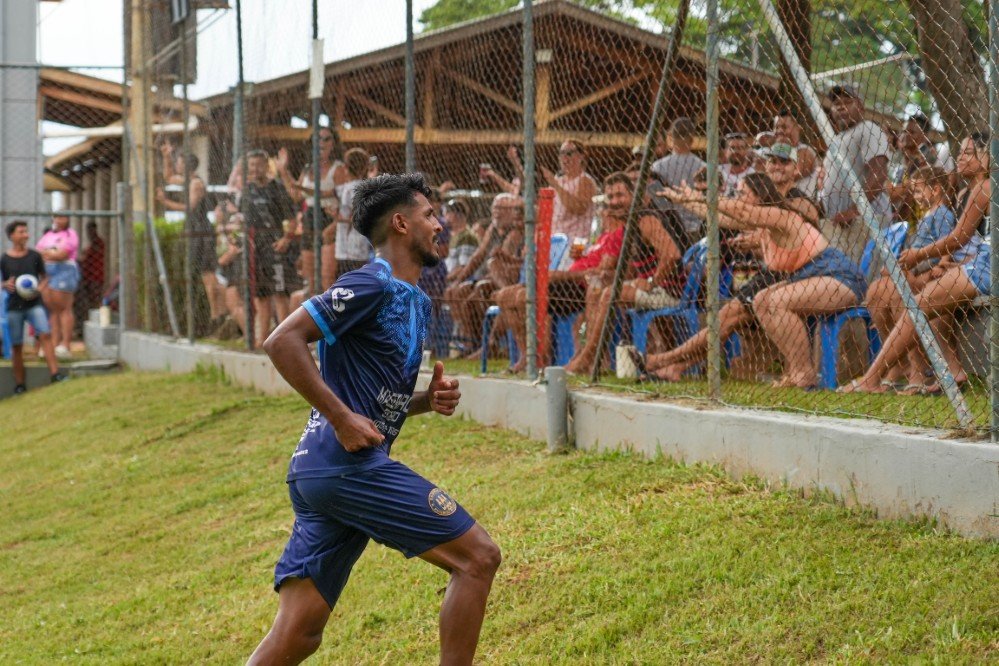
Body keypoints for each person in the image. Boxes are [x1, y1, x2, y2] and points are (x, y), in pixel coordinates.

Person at [248, 172, 500, 665]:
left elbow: (373, 399)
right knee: (478, 558)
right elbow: (281, 341)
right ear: (401, 223)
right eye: (430, 215)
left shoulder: (414, 298)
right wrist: (341, 418)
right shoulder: (371, 282)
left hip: (322, 473)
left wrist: (425, 400)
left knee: (299, 633)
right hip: (345, 466)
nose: (440, 225)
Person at [662, 172, 865, 389]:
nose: (738, 198)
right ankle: (796, 370)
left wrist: (700, 195)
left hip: (838, 276)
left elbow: (742, 211)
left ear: (759, 196)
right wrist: (686, 201)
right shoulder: (762, 225)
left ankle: (803, 373)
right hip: (811, 278)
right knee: (761, 300)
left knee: (777, 301)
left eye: (743, 193)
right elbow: (717, 216)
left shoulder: (781, 215)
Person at [641, 144, 821, 382]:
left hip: (795, 276)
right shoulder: (765, 202)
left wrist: (757, 239)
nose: (777, 166)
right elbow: (723, 218)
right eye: (773, 161)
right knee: (728, 318)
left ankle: (664, 360)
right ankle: (675, 366)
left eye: (784, 161)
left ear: (796, 169)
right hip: (773, 274)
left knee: (727, 316)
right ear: (765, 166)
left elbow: (800, 233)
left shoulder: (798, 201)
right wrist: (685, 200)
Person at [843, 134, 989, 394]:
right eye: (960, 152)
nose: (960, 158)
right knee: (918, 297)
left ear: (987, 158)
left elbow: (957, 239)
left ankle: (875, 377)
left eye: (969, 153)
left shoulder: (984, 187)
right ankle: (949, 372)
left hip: (985, 265)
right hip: (978, 264)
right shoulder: (966, 192)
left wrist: (918, 256)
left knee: (919, 303)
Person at [563, 172, 684, 375]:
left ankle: (588, 357)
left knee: (610, 294)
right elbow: (630, 270)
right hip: (654, 290)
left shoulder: (646, 220)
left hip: (670, 291)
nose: (614, 201)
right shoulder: (629, 224)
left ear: (633, 195)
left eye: (620, 195)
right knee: (596, 289)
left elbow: (672, 254)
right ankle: (595, 360)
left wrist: (652, 282)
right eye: (610, 197)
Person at [819, 84, 892, 267]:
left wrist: (854, 210)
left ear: (860, 106)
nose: (841, 107)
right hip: (840, 223)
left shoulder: (868, 128)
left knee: (866, 275)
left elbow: (879, 173)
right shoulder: (836, 139)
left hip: (868, 220)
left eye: (847, 102)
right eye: (836, 104)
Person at [444, 194, 525, 352]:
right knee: (461, 292)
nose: (496, 212)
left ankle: (489, 346)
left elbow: (503, 262)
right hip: (490, 276)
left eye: (501, 208)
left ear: (512, 211)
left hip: (509, 278)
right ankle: (472, 344)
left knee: (479, 292)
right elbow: (477, 257)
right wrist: (458, 280)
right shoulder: (493, 228)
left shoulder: (515, 231)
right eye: (494, 208)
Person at [157, 150, 226, 328]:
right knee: (204, 275)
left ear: (186, 166)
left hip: (202, 232)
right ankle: (217, 315)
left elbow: (190, 207)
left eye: (179, 162)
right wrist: (166, 156)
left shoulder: (195, 183)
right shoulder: (187, 180)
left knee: (208, 274)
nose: (176, 166)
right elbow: (168, 176)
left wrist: (165, 202)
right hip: (195, 231)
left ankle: (217, 316)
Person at [276, 127, 348, 294]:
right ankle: (314, 310)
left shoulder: (338, 168)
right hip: (310, 218)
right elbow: (296, 195)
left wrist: (335, 224)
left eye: (326, 139)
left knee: (327, 278)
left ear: (333, 144)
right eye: (317, 139)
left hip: (329, 218)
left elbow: (341, 198)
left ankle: (331, 309)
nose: (321, 143)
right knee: (310, 279)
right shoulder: (308, 168)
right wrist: (283, 171)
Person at [2, 221, 65, 392]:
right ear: (12, 236)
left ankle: (55, 374)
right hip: (14, 307)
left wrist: (39, 289)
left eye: (26, 231)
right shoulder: (4, 259)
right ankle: (20, 384)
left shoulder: (34, 256)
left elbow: (45, 277)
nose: (26, 235)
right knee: (17, 345)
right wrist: (4, 285)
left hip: (34, 304)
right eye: (21, 232)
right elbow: (2, 282)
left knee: (45, 335)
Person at [243, 149, 297, 341]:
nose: (255, 168)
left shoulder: (277, 188)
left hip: (275, 249)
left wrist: (286, 240)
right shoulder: (247, 190)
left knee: (279, 294)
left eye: (259, 164)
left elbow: (293, 219)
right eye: (252, 165)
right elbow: (242, 220)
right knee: (261, 296)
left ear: (267, 166)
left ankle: (286, 340)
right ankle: (262, 340)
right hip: (255, 250)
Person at [648, 117, 706, 242]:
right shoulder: (703, 167)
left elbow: (656, 199)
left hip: (671, 226)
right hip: (698, 224)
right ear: (692, 139)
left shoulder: (658, 166)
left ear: (670, 138)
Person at [35, 212, 79, 359]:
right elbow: (38, 252)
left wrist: (50, 253)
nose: (60, 220)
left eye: (63, 217)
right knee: (52, 309)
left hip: (64, 270)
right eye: (57, 217)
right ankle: (53, 344)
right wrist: (52, 252)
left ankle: (65, 345)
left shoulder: (70, 234)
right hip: (48, 271)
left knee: (64, 308)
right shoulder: (48, 235)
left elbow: (63, 254)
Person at [331, 148, 375, 281]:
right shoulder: (358, 187)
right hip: (356, 246)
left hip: (350, 246)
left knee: (349, 281)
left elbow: (357, 217)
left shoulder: (352, 188)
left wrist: (338, 218)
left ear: (346, 167)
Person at [540, 140, 598, 241]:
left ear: (581, 157)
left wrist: (556, 185)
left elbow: (579, 208)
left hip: (575, 242)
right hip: (554, 239)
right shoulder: (559, 180)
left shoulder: (585, 180)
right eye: (561, 153)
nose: (564, 157)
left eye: (569, 153)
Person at [77, 221, 105, 319]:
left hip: (96, 276)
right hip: (88, 276)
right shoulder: (91, 244)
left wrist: (83, 255)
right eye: (88, 231)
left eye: (91, 231)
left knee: (95, 298)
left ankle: (96, 317)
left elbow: (85, 257)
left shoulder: (98, 243)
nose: (89, 233)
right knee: (88, 299)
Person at [719, 132, 756, 198]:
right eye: (732, 148)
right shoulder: (717, 170)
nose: (736, 151)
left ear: (747, 151)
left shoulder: (753, 173)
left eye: (740, 148)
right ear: (725, 151)